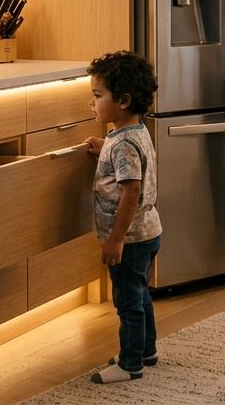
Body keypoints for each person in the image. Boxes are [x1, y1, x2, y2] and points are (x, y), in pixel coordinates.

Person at [83, 51, 163, 383]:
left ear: (123, 100)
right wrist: (106, 145)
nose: (93, 103)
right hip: (149, 231)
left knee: (127, 301)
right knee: (140, 293)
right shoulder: (133, 133)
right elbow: (130, 160)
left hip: (129, 239)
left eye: (98, 96)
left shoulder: (123, 146)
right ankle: (146, 349)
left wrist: (116, 238)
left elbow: (130, 189)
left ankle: (130, 364)